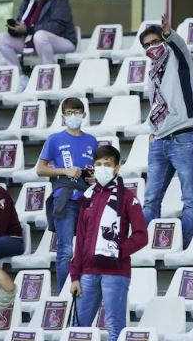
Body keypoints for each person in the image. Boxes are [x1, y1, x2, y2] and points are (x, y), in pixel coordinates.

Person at [70, 145, 148, 341]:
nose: (102, 167)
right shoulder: (88, 197)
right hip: (87, 273)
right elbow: (80, 239)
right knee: (79, 328)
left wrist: (116, 251)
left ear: (116, 167)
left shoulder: (127, 197)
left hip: (115, 272)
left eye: (107, 164)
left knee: (115, 328)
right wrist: (74, 276)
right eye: (98, 164)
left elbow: (141, 235)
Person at [139, 14, 193, 249]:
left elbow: (180, 46)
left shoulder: (180, 60)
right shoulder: (152, 73)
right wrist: (153, 132)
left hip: (184, 136)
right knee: (151, 200)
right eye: (146, 45)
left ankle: (185, 247)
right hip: (159, 140)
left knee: (190, 199)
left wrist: (169, 35)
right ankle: (142, 248)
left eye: (155, 42)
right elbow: (155, 106)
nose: (151, 48)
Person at [37, 97, 98, 294]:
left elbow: (95, 170)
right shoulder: (55, 139)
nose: (74, 116)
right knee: (65, 250)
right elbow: (40, 169)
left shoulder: (91, 140)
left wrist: (93, 179)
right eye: (69, 113)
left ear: (84, 115)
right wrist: (65, 171)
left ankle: (85, 288)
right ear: (63, 116)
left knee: (87, 248)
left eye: (77, 112)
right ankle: (63, 292)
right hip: (64, 198)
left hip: (86, 199)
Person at [0, 0, 77, 85]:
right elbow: (22, 21)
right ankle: (20, 78)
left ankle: (48, 76)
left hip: (64, 41)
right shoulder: (28, 0)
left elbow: (58, 26)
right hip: (33, 41)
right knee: (1, 39)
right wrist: (15, 29)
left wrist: (29, 29)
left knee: (40, 36)